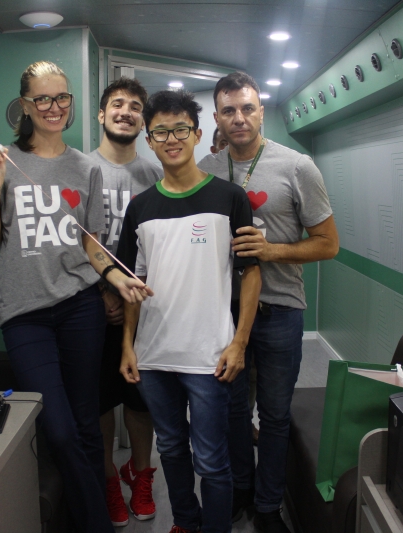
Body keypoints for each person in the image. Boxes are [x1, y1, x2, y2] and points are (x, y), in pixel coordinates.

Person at [0, 60, 151, 533]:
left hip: (79, 307)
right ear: (25, 105)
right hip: (24, 312)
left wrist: (116, 279)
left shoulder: (85, 167)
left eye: (62, 98)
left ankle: (86, 519)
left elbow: (91, 245)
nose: (54, 107)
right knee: (58, 427)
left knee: (87, 422)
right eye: (43, 99)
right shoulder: (3, 161)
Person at [198, 71, 339, 533]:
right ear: (217, 117)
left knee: (275, 416)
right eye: (228, 110)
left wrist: (271, 250)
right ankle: (241, 489)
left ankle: (267, 505)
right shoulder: (206, 169)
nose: (239, 118)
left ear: (261, 112)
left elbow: (328, 244)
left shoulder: (298, 167)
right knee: (233, 411)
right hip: (226, 313)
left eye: (247, 108)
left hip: (281, 308)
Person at [118, 90, 262, 533]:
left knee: (213, 459)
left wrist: (239, 343)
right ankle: (184, 521)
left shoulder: (229, 197)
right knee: (172, 449)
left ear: (198, 135)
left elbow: (251, 274)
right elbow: (132, 284)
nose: (171, 139)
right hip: (154, 356)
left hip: (209, 356)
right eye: (160, 132)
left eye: (181, 129)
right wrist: (127, 346)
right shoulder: (140, 208)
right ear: (149, 140)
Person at [89, 77, 163, 527]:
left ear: (143, 120)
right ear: (102, 114)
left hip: (144, 310)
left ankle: (140, 474)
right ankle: (108, 482)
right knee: (100, 403)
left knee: (141, 402)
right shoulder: (81, 168)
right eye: (118, 104)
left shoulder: (156, 174)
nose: (126, 112)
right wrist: (103, 293)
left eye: (136, 106)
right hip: (93, 308)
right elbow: (70, 242)